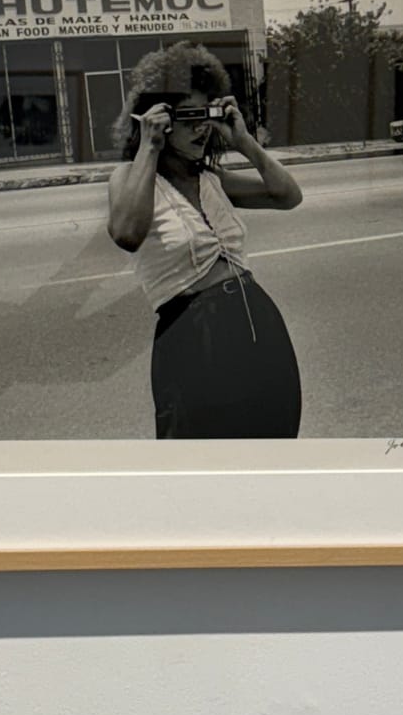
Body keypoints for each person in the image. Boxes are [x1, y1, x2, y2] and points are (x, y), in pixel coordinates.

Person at [107, 41, 304, 439]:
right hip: (193, 336)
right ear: (158, 118)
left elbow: (288, 196)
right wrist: (149, 145)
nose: (201, 128)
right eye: (189, 117)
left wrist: (244, 141)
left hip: (256, 324)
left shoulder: (213, 180)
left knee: (272, 445)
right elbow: (127, 233)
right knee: (202, 458)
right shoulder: (129, 177)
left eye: (207, 116)